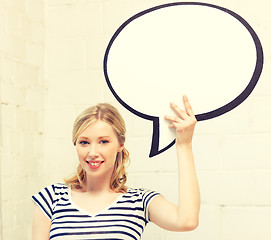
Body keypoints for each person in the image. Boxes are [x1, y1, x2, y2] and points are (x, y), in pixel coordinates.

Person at [32, 95, 200, 240]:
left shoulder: (139, 201)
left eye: (103, 141)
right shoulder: (51, 198)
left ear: (120, 144)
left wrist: (184, 145)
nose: (92, 152)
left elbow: (187, 221)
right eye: (84, 142)